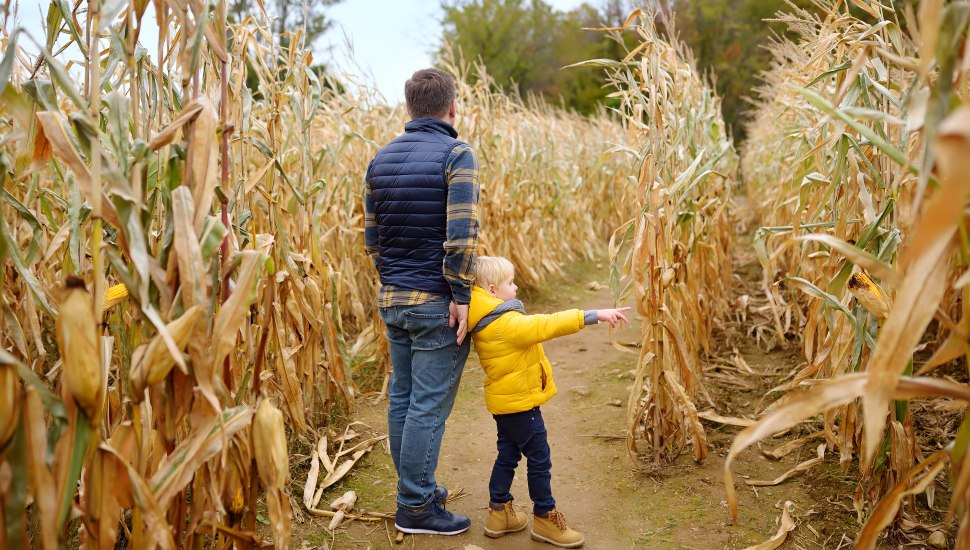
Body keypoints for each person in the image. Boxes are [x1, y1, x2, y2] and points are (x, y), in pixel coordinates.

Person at [363, 68, 479, 535]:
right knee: (427, 404)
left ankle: (418, 489)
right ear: (452, 107)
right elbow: (461, 235)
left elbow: (372, 240)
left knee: (403, 399)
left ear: (410, 108)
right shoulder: (457, 154)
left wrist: (392, 282)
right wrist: (461, 294)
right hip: (436, 301)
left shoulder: (381, 158)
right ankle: (415, 506)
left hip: (392, 297)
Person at [467, 256, 630, 548]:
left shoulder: (484, 318)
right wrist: (594, 314)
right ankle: (544, 516)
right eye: (510, 283)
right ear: (492, 290)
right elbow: (548, 324)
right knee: (539, 458)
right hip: (521, 405)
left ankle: (499, 513)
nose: (516, 288)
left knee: (508, 454)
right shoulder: (506, 323)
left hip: (505, 405)